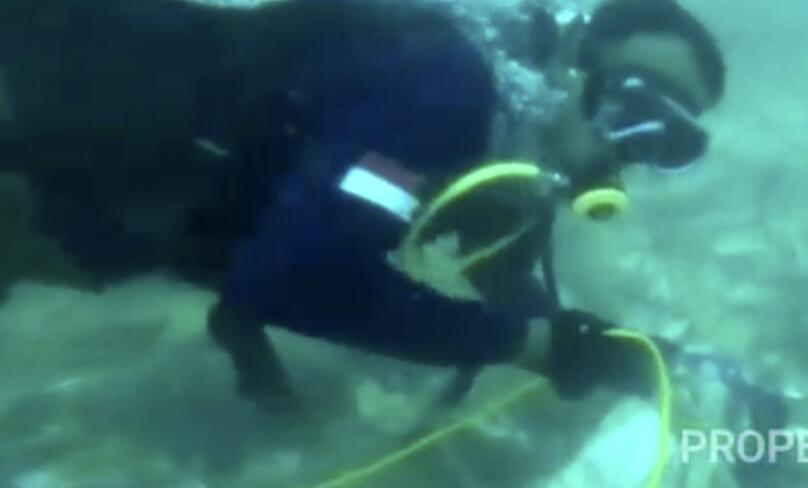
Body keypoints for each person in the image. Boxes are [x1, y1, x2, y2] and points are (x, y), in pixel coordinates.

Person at [0, 0, 727, 406]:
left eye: (665, 138)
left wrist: (634, 360)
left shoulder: (504, 131)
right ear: (571, 61)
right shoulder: (448, 89)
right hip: (44, 163)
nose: (622, 144)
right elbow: (290, 276)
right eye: (631, 101)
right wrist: (531, 347)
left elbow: (500, 269)